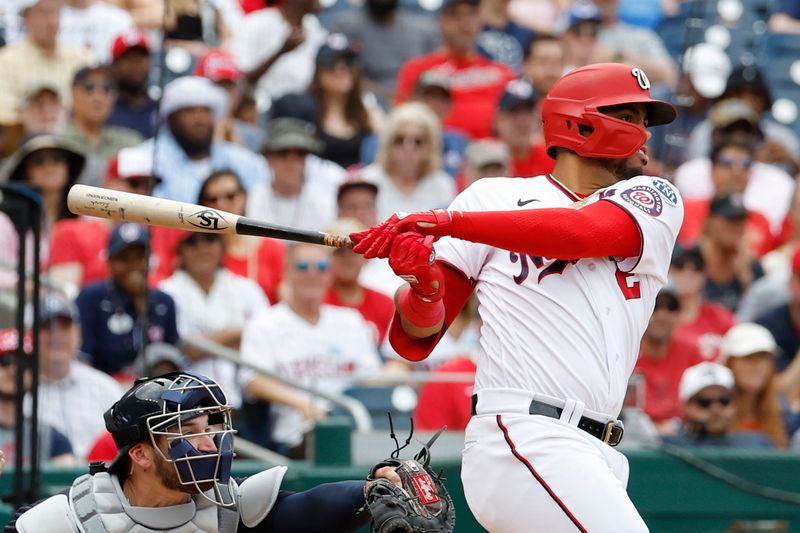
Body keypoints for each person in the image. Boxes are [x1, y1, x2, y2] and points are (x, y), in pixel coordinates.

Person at [350, 63, 682, 531]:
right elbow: (414, 341)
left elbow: (578, 232)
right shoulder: (490, 198)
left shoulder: (655, 197)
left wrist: (446, 222)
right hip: (523, 433)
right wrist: (424, 286)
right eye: (632, 118)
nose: (645, 137)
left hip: (598, 450)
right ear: (582, 121)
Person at [6, 372, 402, 532]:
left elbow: (308, 511)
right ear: (140, 454)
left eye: (209, 428)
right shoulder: (71, 518)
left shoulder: (227, 507)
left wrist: (371, 490)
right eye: (186, 432)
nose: (208, 442)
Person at [239, 242, 382, 456]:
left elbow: (370, 377)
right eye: (303, 266)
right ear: (287, 272)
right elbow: (252, 381)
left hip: (354, 428)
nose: (313, 274)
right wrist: (304, 403)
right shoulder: (265, 322)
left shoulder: (350, 320)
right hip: (297, 437)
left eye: (322, 267)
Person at [159, 230, 270, 409]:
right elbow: (183, 348)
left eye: (210, 240)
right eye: (192, 242)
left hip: (245, 404)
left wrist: (206, 343)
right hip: (187, 407)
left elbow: (265, 340)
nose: (202, 248)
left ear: (222, 247)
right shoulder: (166, 292)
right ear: (179, 251)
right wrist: (236, 334)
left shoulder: (246, 288)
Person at [394, 0, 515, 139]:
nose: (465, 24)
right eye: (455, 15)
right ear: (440, 20)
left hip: (494, 153)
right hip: (439, 150)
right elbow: (401, 122)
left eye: (471, 14)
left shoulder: (503, 73)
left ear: (481, 19)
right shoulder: (418, 69)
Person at [142, 76, 269, 204]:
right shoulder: (146, 158)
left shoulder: (246, 161)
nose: (199, 120)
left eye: (206, 111)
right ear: (170, 119)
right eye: (189, 111)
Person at [75, 223, 180, 377]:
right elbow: (83, 360)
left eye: (140, 257)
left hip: (152, 392)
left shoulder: (164, 302)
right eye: (124, 258)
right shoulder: (91, 297)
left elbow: (173, 358)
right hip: (103, 390)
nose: (133, 265)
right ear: (109, 261)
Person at [36, 292, 124, 461]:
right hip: (39, 484)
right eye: (47, 328)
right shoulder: (17, 387)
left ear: (78, 332)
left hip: (101, 482)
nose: (57, 336)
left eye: (65, 327)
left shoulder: (104, 386)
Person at [195, 169, 286, 304]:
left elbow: (286, 302)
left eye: (230, 196)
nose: (221, 204)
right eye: (212, 199)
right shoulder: (194, 250)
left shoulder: (272, 248)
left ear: (244, 197)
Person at [0, 0, 92, 128]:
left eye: (55, 12)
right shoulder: (6, 60)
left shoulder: (82, 58)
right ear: (26, 18)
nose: (51, 21)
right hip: (25, 139)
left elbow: (95, 105)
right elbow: (4, 112)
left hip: (74, 137)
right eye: (43, 13)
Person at [329, 0, 440, 104]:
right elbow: (337, 72)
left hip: (415, 104)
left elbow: (436, 74)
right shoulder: (346, 25)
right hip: (364, 102)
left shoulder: (423, 29)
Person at [361, 102, 455, 222]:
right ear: (388, 143)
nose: (408, 147)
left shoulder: (443, 185)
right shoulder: (367, 180)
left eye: (418, 141)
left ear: (430, 146)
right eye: (400, 140)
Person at [232, 0, 327, 109]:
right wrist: (282, 51)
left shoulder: (314, 28)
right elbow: (242, 77)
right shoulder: (257, 22)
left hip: (300, 106)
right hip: (261, 106)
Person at [0, 328, 75, 465]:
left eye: (25, 362)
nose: (14, 369)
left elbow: (64, 478)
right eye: (4, 361)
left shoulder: (53, 438)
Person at [246, 118, 336, 232]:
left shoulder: (323, 201)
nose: (291, 161)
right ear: (268, 158)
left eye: (300, 153)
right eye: (282, 152)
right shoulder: (253, 198)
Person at [62, 65, 143, 186]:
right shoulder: (55, 140)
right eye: (88, 87)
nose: (98, 97)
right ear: (73, 94)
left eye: (107, 89)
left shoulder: (131, 143)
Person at [632, 287, 703, 428]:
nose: (662, 315)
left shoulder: (691, 351)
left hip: (682, 433)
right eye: (656, 306)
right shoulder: (627, 350)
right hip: (633, 434)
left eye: (671, 308)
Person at [662, 362, 774, 449]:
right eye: (704, 402)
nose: (715, 409)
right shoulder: (668, 446)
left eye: (724, 401)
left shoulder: (759, 445)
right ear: (685, 407)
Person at [308, 34, 378, 169]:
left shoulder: (370, 114)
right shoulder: (305, 111)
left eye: (348, 62)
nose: (342, 69)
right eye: (332, 63)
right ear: (319, 70)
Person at [324, 218, 394, 345]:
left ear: (366, 256)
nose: (347, 259)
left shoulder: (385, 304)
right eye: (339, 252)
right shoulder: (316, 302)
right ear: (327, 258)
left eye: (353, 251)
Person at [720, 323, 790, 448]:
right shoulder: (709, 409)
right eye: (749, 358)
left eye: (765, 358)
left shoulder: (784, 414)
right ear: (729, 363)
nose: (758, 367)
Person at [669, 246, 735, 361]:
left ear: (704, 276)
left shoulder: (720, 316)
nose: (688, 273)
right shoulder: (657, 316)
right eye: (680, 266)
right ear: (667, 271)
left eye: (697, 267)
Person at [493, 78, 553, 178]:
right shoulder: (485, 159)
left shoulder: (550, 157)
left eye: (528, 113)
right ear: (499, 119)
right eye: (514, 113)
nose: (522, 122)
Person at [106, 29, 156, 138]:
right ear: (114, 64)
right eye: (128, 59)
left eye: (141, 58)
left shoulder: (160, 110)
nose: (136, 65)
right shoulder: (103, 107)